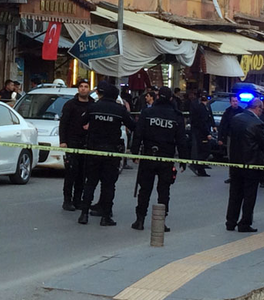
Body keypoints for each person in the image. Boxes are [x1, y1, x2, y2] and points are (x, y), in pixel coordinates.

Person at [78, 81, 135, 227]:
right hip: (111, 152)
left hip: (93, 150)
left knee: (90, 182)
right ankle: (105, 216)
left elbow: (82, 121)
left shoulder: (93, 107)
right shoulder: (120, 110)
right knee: (108, 185)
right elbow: (133, 126)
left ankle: (84, 214)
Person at [130, 86, 186, 232]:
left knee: (145, 189)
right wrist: (184, 160)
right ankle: (161, 222)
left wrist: (135, 152)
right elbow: (181, 139)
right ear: (171, 98)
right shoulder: (176, 115)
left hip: (148, 155)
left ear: (157, 96)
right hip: (166, 158)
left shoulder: (147, 112)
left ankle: (140, 220)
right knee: (164, 190)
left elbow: (138, 133)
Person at [226, 97, 264, 233]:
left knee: (234, 193)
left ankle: (230, 221)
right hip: (251, 163)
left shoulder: (236, 118)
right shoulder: (258, 124)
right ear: (258, 108)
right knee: (249, 195)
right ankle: (244, 222)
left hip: (235, 162)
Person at [59, 78, 94, 212]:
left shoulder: (92, 105)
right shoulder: (70, 105)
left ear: (89, 89)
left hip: (87, 143)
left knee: (82, 173)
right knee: (71, 172)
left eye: (86, 86)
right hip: (72, 142)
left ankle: (78, 200)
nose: (83, 89)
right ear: (78, 89)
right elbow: (63, 124)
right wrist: (63, 141)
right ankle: (67, 200)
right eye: (81, 86)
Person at [189, 91, 215, 177]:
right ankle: (198, 167)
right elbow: (203, 122)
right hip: (202, 133)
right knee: (205, 151)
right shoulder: (202, 108)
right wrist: (207, 133)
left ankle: (199, 166)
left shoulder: (203, 107)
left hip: (201, 132)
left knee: (203, 150)